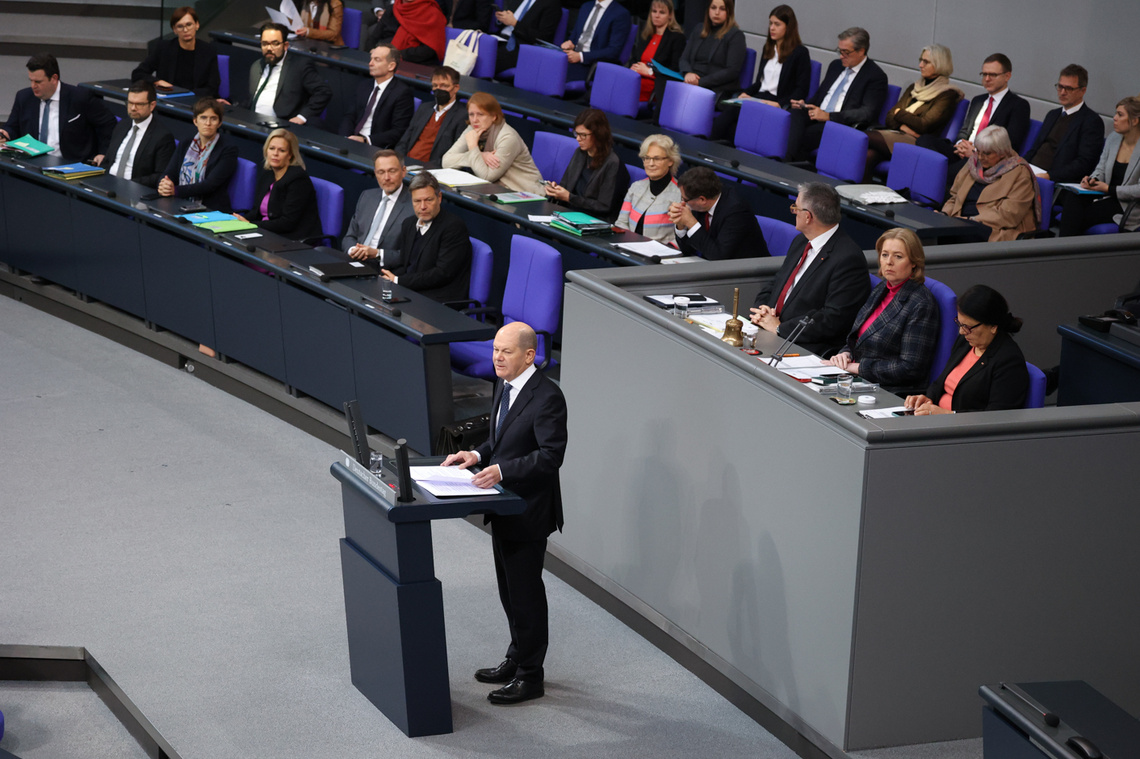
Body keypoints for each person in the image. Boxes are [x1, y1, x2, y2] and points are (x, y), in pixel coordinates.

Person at [442, 321, 568, 706]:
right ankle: (516, 658)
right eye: (495, 349)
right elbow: (500, 438)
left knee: (526, 595)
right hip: (503, 506)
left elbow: (551, 456)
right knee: (509, 592)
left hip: (528, 511)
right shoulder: (505, 385)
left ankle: (532, 676)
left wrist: (503, 470)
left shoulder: (547, 397)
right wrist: (478, 455)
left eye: (506, 351)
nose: (497, 357)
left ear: (529, 355)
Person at [750, 182, 870, 356]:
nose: (793, 212)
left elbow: (833, 319)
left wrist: (780, 328)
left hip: (803, 346)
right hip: (771, 332)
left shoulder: (848, 258)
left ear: (808, 217)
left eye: (795, 208)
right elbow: (777, 282)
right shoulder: (800, 241)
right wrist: (763, 310)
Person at [829, 228, 939, 390]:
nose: (889, 262)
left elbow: (910, 368)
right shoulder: (882, 288)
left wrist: (857, 367)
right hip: (857, 378)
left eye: (898, 256)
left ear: (914, 262)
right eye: (885, 255)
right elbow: (859, 338)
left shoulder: (921, 304)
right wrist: (845, 354)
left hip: (888, 389)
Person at [905, 285, 1028, 413]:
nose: (961, 331)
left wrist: (948, 415)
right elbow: (939, 383)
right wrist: (927, 399)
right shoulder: (966, 342)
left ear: (993, 326)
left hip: (963, 430)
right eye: (959, 323)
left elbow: (996, 417)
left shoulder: (1008, 361)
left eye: (968, 327)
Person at [916, 53, 1030, 183]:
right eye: (984, 74)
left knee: (947, 171)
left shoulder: (1018, 105)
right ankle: (931, 176)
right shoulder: (978, 100)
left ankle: (932, 183)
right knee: (923, 140)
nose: (987, 79)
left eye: (992, 75)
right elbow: (965, 131)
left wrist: (976, 152)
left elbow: (1010, 144)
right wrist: (961, 144)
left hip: (984, 159)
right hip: (962, 152)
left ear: (1007, 76)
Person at [785, 28, 887, 162]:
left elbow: (866, 113)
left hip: (839, 123)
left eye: (846, 52)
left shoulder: (875, 76)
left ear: (861, 51)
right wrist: (805, 105)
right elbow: (819, 96)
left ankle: (786, 163)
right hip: (818, 115)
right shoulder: (836, 66)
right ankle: (786, 162)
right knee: (792, 115)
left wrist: (829, 116)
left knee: (805, 134)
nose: (841, 56)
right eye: (840, 51)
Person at [711, 4, 810, 141]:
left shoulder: (800, 53)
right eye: (770, 23)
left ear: (788, 27)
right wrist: (746, 93)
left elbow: (801, 89)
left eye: (777, 24)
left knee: (739, 124)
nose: (772, 28)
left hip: (777, 101)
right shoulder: (768, 47)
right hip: (760, 97)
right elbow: (760, 82)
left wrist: (780, 104)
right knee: (727, 116)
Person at [865, 44, 962, 179]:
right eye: (921, 60)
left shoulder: (947, 95)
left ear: (940, 64)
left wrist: (899, 113)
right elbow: (889, 118)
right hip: (896, 135)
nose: (920, 65)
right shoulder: (914, 87)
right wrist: (903, 126)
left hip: (917, 143)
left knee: (862, 138)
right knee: (868, 155)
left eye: (926, 62)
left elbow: (924, 125)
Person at [1, 53, 114, 163]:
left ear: (54, 78)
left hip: (71, 164)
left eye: (38, 82)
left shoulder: (80, 97)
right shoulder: (24, 97)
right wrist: (5, 134)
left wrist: (103, 152)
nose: (33, 86)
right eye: (31, 80)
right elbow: (12, 126)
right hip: (32, 162)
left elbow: (108, 124)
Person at [380, 172, 472, 302]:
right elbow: (405, 264)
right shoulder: (409, 224)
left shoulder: (453, 227)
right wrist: (386, 277)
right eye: (417, 201)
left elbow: (442, 274)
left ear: (439, 198)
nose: (423, 207)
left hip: (439, 299)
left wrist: (397, 280)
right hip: (411, 291)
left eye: (428, 200)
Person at [1058, 96, 1140, 236]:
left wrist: (1109, 189)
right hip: (1104, 195)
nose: (1114, 118)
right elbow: (1100, 169)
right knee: (1072, 199)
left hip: (1128, 205)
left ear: (1134, 120)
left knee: (1078, 216)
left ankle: (1061, 251)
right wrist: (1092, 179)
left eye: (1120, 115)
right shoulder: (1114, 138)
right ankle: (1063, 250)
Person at [942, 125, 1039, 242]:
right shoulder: (974, 162)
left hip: (994, 228)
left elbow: (1008, 215)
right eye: (978, 151)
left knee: (951, 234)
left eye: (987, 153)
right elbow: (954, 196)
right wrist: (944, 214)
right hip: (961, 221)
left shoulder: (1020, 173)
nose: (980, 157)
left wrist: (968, 220)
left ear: (1002, 152)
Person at [441, 92, 543, 192]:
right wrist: (481, 155)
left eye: (480, 114)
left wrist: (473, 147)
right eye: (471, 114)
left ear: (494, 116)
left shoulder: (508, 137)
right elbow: (446, 161)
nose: (475, 120)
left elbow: (487, 176)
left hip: (525, 193)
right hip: (498, 191)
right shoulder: (472, 129)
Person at [235, 129, 323, 241]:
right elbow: (256, 211)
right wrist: (239, 220)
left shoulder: (298, 179)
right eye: (272, 148)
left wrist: (250, 224)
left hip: (292, 238)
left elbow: (287, 223)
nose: (275, 154)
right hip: (268, 231)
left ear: (290, 154)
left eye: (281, 150)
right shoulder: (268, 173)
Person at [544, 108, 630, 222]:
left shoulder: (612, 163)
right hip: (569, 213)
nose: (578, 139)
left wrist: (570, 198)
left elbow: (604, 206)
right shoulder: (579, 153)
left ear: (598, 135)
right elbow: (566, 185)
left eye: (583, 135)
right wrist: (556, 190)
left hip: (593, 220)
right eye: (576, 133)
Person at [1024, 65, 1105, 183]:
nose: (1062, 92)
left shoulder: (1091, 121)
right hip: (1032, 172)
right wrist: (1021, 164)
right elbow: (1035, 148)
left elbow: (1084, 163)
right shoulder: (1052, 114)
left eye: (1069, 89)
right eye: (1060, 87)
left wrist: (1050, 176)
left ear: (1082, 91)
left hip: (1053, 180)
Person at [668, 167, 767, 259]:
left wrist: (691, 223)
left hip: (749, 271)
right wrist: (681, 225)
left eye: (685, 199)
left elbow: (718, 256)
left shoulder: (736, 211)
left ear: (702, 200)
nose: (682, 203)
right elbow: (688, 250)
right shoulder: (701, 203)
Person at [158, 98, 238, 212]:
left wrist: (176, 191)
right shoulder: (186, 143)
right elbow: (169, 172)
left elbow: (209, 185)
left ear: (219, 123)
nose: (208, 123)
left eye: (213, 119)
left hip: (211, 208)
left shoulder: (228, 149)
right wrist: (163, 184)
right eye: (203, 118)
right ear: (195, 121)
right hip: (180, 202)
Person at [246, 24, 333, 125]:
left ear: (285, 45)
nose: (269, 48)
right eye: (265, 44)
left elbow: (323, 91)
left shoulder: (299, 66)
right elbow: (251, 100)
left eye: (275, 43)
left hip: (282, 127)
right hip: (252, 122)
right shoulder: (256, 66)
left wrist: (302, 117)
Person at [343, 149, 415, 264]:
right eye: (381, 172)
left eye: (392, 171)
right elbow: (349, 236)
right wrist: (353, 250)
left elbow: (412, 255)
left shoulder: (414, 205)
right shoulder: (367, 196)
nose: (386, 178)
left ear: (403, 171)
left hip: (383, 268)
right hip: (355, 261)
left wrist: (377, 254)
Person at [100, 81, 176, 188]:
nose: (133, 108)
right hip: (108, 184)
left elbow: (160, 176)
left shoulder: (163, 137)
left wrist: (128, 184)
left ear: (152, 105)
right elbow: (108, 161)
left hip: (135, 191)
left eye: (139, 104)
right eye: (130, 103)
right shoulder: (122, 125)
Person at [131, 7, 221, 99]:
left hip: (197, 101)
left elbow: (212, 87)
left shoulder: (209, 50)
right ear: (174, 30)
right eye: (180, 26)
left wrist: (186, 94)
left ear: (197, 25)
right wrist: (158, 82)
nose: (185, 30)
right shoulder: (164, 48)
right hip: (168, 101)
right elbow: (138, 73)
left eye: (189, 24)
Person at [339, 43, 415, 148]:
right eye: (371, 59)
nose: (370, 63)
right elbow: (350, 115)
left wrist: (366, 140)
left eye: (377, 60)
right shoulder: (364, 85)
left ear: (391, 66)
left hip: (375, 146)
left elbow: (399, 131)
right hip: (353, 139)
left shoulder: (402, 93)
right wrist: (345, 138)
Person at [615, 133, 683, 244]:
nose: (650, 164)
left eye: (657, 159)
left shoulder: (681, 194)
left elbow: (681, 237)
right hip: (627, 248)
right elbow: (621, 222)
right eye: (647, 158)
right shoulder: (636, 187)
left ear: (670, 161)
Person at [672, 0, 745, 103]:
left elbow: (732, 71)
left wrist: (700, 82)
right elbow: (684, 59)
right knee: (665, 83)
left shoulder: (735, 35)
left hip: (715, 87)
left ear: (729, 12)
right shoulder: (699, 29)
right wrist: (688, 72)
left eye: (722, 9)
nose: (717, 12)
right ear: (708, 10)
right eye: (713, 8)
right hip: (691, 82)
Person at [393, 66, 466, 165]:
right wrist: (398, 161)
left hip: (431, 169)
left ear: (456, 88)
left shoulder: (462, 115)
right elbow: (404, 141)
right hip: (406, 163)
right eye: (435, 86)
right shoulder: (424, 108)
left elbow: (455, 155)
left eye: (444, 86)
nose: (439, 89)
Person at [628, 0, 686, 104]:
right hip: (635, 79)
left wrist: (650, 72)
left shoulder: (677, 38)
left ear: (670, 15)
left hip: (656, 85)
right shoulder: (647, 35)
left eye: (662, 12)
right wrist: (633, 67)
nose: (657, 15)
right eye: (654, 11)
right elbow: (635, 59)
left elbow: (675, 71)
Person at [560, 0, 633, 82]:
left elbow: (613, 51)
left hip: (592, 66)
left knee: (556, 76)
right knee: (548, 66)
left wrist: (581, 56)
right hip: (572, 57)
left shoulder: (621, 14)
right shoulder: (586, 6)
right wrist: (570, 43)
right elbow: (575, 35)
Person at [493, 0, 563, 74]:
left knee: (487, 58)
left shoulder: (551, 4)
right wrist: (501, 18)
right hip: (500, 39)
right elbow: (505, 21)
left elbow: (542, 38)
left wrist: (515, 24)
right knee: (481, 48)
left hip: (520, 48)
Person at [376, 0, 447, 64]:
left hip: (415, 64)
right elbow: (375, 36)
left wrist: (394, 54)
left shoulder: (433, 14)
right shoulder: (393, 8)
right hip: (384, 56)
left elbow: (429, 50)